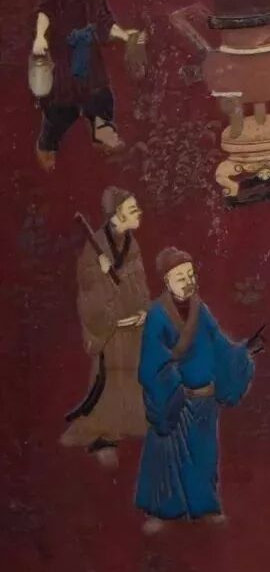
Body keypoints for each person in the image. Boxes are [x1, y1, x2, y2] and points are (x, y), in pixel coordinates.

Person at [135, 248, 260, 534]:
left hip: (205, 401)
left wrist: (242, 352)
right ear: (167, 281)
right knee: (167, 459)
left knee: (204, 456)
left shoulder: (200, 309)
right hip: (174, 401)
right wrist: (174, 384)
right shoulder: (157, 315)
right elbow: (152, 361)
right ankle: (162, 512)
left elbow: (219, 343)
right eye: (180, 277)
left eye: (191, 275)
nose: (188, 281)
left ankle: (205, 507)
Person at [32, 0, 140, 170]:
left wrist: (125, 35)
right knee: (63, 106)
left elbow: (102, 15)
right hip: (64, 50)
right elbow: (45, 8)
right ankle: (47, 144)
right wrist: (40, 36)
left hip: (88, 46)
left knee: (100, 94)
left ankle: (102, 133)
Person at [60, 186, 149, 466]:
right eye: (132, 209)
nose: (139, 213)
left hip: (133, 325)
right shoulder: (96, 245)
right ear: (116, 215)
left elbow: (140, 281)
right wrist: (99, 273)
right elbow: (87, 288)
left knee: (134, 377)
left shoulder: (131, 243)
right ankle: (104, 436)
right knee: (110, 380)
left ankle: (131, 424)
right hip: (112, 329)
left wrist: (144, 310)